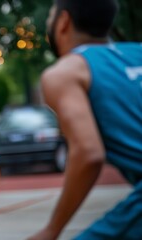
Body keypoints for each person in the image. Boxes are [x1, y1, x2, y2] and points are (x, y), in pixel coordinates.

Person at [28, 0, 142, 239]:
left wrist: (52, 230)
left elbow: (89, 154)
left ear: (63, 22)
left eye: (50, 17)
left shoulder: (66, 72)